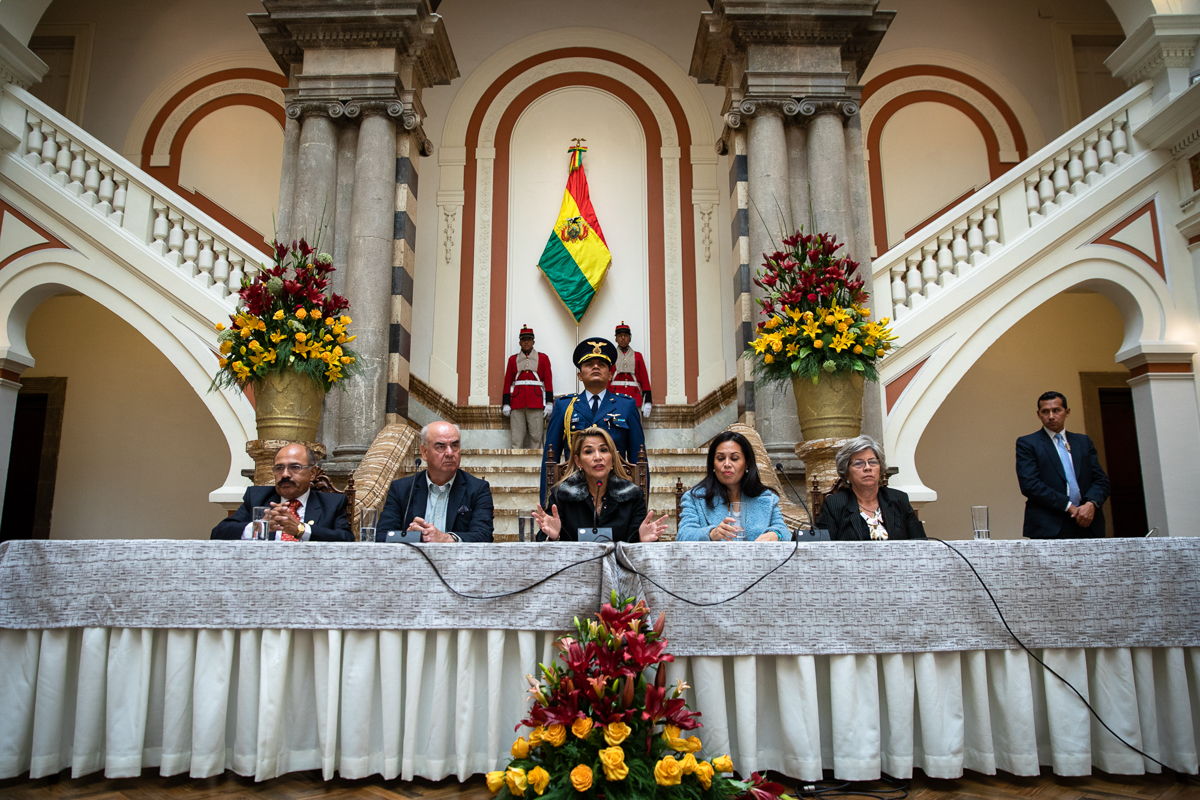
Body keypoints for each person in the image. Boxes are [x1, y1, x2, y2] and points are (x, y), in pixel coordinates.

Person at [541, 338, 645, 503]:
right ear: (580, 375)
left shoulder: (626, 405)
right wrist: (546, 503)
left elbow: (639, 460)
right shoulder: (564, 406)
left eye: (602, 365)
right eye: (589, 364)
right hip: (573, 493)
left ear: (610, 375)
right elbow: (549, 460)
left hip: (617, 493)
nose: (596, 367)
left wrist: (640, 505)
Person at [533, 427, 667, 543]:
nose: (597, 457)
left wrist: (642, 540)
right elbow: (543, 543)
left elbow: (639, 546)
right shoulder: (562, 495)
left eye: (603, 450)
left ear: (612, 458)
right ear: (578, 461)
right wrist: (553, 537)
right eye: (588, 452)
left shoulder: (632, 495)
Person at [376, 420, 495, 542]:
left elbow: (484, 536)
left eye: (454, 446)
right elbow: (381, 536)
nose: (450, 453)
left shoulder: (478, 489)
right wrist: (408, 537)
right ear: (424, 452)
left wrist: (447, 539)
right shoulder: (401, 489)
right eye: (440, 447)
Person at [211, 443, 353, 541]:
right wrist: (259, 527)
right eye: (279, 468)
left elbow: (346, 539)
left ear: (312, 473)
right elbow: (219, 533)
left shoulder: (332, 503)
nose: (285, 474)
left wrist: (300, 529)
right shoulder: (256, 497)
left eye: (295, 467)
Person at [1016, 391, 1110, 539]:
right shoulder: (1028, 443)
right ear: (1038, 414)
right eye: (1045, 411)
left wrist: (1091, 504)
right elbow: (1030, 484)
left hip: (1087, 521)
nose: (1051, 416)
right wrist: (1069, 507)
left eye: (1056, 410)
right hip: (1049, 524)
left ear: (1067, 412)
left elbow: (1101, 480)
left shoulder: (1083, 442)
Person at [677, 431, 788, 542]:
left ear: (747, 464)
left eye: (734, 458)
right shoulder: (695, 498)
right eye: (720, 458)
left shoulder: (766, 499)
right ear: (712, 464)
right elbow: (683, 535)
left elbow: (785, 533)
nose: (727, 464)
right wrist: (711, 534)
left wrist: (776, 535)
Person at [816, 435, 925, 541]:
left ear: (880, 468)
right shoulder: (834, 505)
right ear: (846, 473)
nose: (867, 468)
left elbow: (921, 543)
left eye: (872, 462)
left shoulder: (899, 499)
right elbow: (825, 548)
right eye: (858, 463)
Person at [502, 324, 554, 448]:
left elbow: (548, 381)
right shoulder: (512, 360)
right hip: (517, 403)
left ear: (533, 341)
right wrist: (506, 403)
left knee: (537, 438)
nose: (526, 342)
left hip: (536, 402)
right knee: (516, 439)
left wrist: (549, 403)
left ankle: (536, 462)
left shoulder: (543, 358)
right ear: (519, 342)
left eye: (529, 339)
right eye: (523, 339)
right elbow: (507, 382)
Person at [610, 321, 652, 418]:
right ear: (616, 339)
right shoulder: (611, 356)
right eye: (620, 336)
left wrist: (648, 401)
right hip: (615, 397)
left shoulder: (638, 356)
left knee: (635, 425)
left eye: (626, 335)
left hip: (634, 398)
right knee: (616, 425)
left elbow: (644, 379)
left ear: (630, 338)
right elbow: (608, 378)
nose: (623, 338)